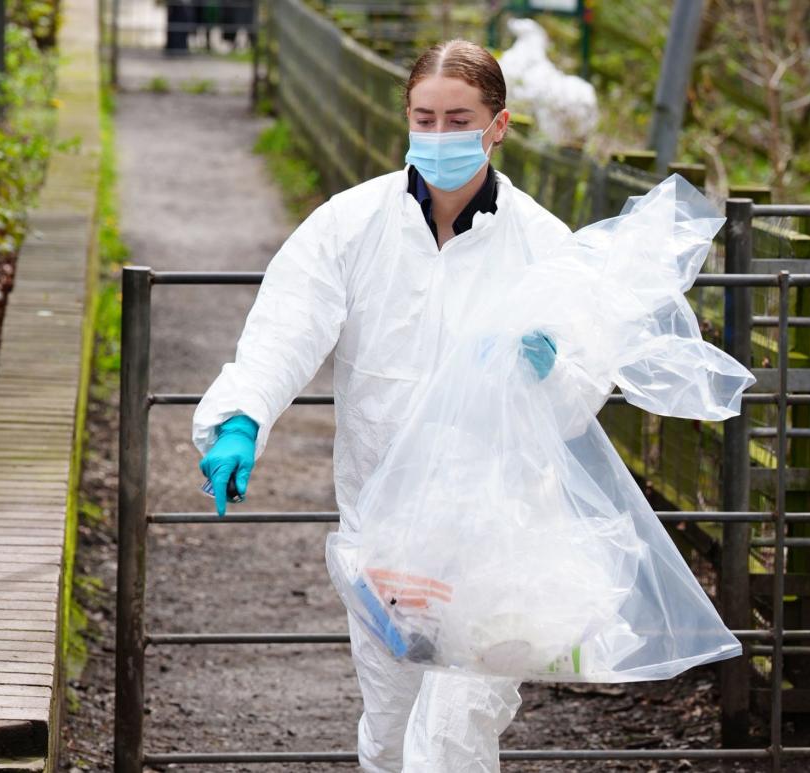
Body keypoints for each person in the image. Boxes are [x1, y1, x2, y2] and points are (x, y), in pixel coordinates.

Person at [192, 39, 612, 772]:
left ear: (499, 125)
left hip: (495, 531)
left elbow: (584, 391)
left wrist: (555, 369)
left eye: (460, 119)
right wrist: (242, 415)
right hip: (384, 528)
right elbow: (287, 327)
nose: (439, 136)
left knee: (457, 732)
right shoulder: (351, 226)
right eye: (425, 118)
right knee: (391, 725)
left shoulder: (544, 245)